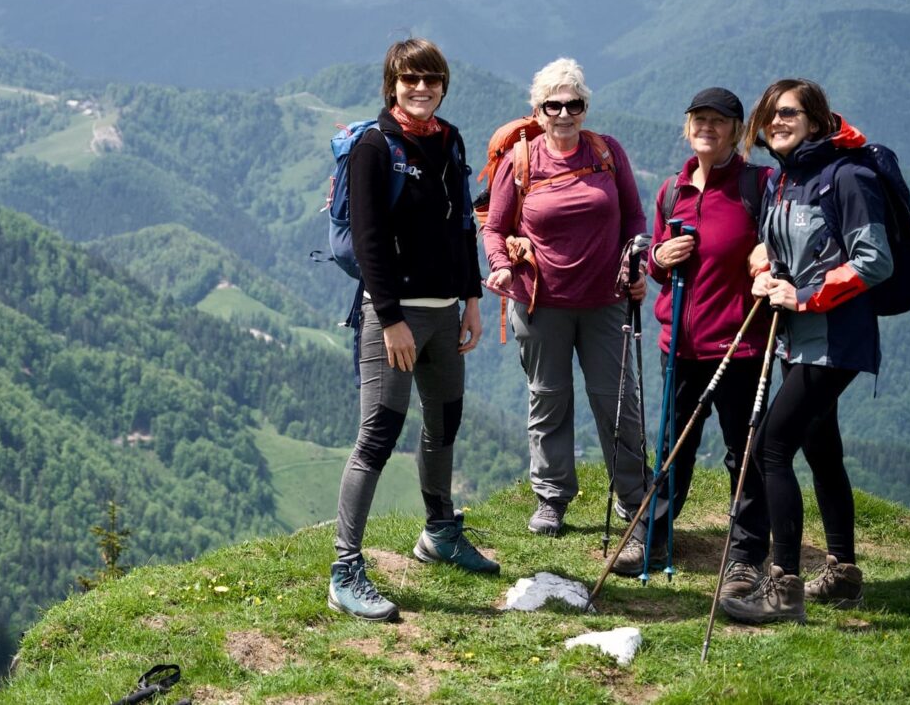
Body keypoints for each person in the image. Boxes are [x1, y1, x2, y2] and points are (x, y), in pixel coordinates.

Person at [328, 38, 495, 623]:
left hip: (446, 310)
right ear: (391, 85)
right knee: (379, 433)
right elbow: (370, 240)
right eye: (410, 80)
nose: (421, 89)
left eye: (431, 79)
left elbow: (459, 229)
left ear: (444, 84)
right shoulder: (374, 147)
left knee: (444, 422)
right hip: (392, 317)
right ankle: (345, 569)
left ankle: (439, 533)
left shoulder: (449, 140)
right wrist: (392, 317)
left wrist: (472, 299)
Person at [720, 79, 887, 624]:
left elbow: (874, 260)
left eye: (789, 113)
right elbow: (779, 244)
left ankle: (783, 589)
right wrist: (765, 269)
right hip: (799, 338)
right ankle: (842, 575)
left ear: (816, 119)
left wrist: (807, 297)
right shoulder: (787, 180)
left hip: (835, 339)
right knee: (821, 449)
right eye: (770, 114)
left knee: (771, 446)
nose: (777, 121)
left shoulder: (849, 176)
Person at [483, 57, 647, 542]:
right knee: (549, 400)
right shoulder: (521, 160)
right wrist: (501, 267)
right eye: (553, 104)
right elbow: (494, 228)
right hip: (539, 303)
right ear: (537, 110)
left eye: (573, 103)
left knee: (618, 401)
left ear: (584, 106)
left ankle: (633, 498)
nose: (563, 112)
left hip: (606, 300)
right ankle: (552, 499)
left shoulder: (606, 152)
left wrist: (638, 260)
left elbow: (635, 219)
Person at [615, 87, 773, 584]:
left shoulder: (758, 185)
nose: (707, 127)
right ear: (687, 127)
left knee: (742, 450)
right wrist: (658, 259)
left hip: (740, 345)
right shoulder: (671, 191)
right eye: (698, 119)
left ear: (736, 130)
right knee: (671, 446)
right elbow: (659, 259)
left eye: (718, 121)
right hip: (679, 345)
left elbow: (787, 236)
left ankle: (746, 556)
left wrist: (767, 253)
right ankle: (655, 536)